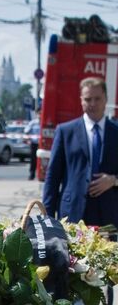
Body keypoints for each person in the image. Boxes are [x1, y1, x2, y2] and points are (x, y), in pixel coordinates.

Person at [43, 77, 118, 226]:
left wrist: (114, 180)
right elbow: (52, 177)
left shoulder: (116, 132)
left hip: (109, 214)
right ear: (81, 100)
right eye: (88, 99)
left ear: (106, 99)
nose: (93, 104)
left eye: (97, 99)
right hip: (73, 214)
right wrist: (47, 218)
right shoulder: (65, 131)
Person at [25, 110, 40, 180]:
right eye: (39, 113)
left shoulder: (45, 121)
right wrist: (28, 138)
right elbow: (26, 131)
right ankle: (32, 174)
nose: (40, 115)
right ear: (36, 114)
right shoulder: (33, 123)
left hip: (42, 144)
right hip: (34, 144)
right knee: (33, 159)